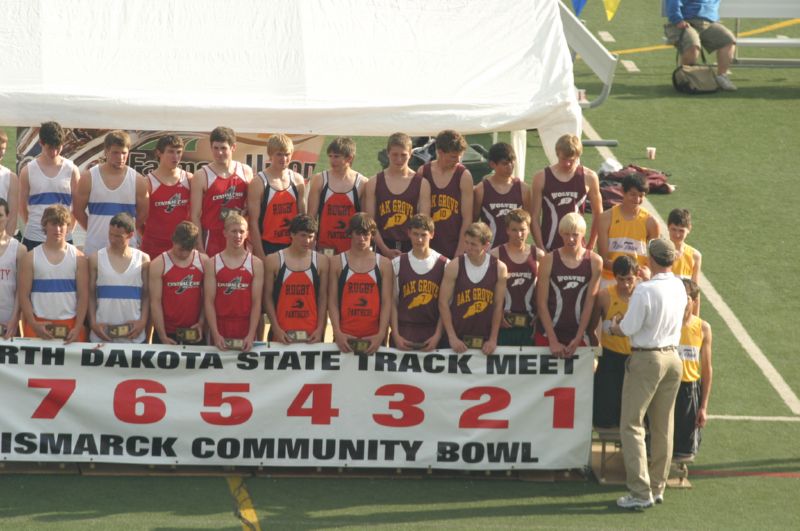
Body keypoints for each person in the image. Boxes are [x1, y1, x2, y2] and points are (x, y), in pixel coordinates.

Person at [608, 237, 687, 509]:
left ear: (651, 260)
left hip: (647, 359)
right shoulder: (679, 284)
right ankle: (657, 486)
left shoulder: (644, 291)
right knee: (663, 425)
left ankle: (640, 493)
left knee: (631, 424)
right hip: (673, 358)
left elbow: (629, 327)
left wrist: (614, 326)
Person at [535, 213, 602, 358]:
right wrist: (552, 340)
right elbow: (541, 303)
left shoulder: (595, 261)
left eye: (575, 235)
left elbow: (589, 303)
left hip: (578, 335)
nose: (570, 239)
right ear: (560, 233)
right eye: (566, 234)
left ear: (583, 234)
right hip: (548, 333)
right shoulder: (548, 260)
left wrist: (578, 338)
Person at [18, 204, 88, 342]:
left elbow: (83, 297)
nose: (58, 229)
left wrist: (78, 326)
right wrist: (33, 324)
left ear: (68, 226)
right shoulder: (30, 257)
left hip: (70, 326)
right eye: (53, 224)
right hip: (38, 325)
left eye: (62, 224)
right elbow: (23, 295)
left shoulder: (79, 258)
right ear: (45, 225)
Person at [73, 130, 148, 256]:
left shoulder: (138, 180)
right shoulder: (89, 177)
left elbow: (143, 214)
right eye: (115, 153)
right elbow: (77, 210)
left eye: (124, 153)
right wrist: (93, 230)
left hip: (126, 250)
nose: (120, 157)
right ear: (106, 152)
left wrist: (124, 234)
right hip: (96, 248)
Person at [328, 213, 393, 355]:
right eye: (357, 233)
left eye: (366, 234)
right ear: (350, 234)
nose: (361, 238)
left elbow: (387, 302)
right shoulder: (336, 262)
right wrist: (337, 332)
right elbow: (332, 301)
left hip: (374, 338)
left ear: (372, 235)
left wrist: (381, 334)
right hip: (344, 337)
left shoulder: (384, 264)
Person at [439, 222, 508, 355]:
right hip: (457, 339)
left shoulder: (499, 268)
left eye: (473, 244)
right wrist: (452, 337)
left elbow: (498, 306)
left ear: (486, 245)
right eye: (467, 242)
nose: (468, 248)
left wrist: (493, 339)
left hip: (485, 340)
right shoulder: (455, 265)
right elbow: (443, 303)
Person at [530, 134, 603, 253]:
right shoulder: (541, 177)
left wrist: (590, 245)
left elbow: (598, 214)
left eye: (572, 160)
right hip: (549, 246)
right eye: (564, 159)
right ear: (557, 154)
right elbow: (534, 216)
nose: (567, 164)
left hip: (578, 248)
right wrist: (540, 247)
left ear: (578, 156)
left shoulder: (589, 177)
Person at [263, 214, 328, 344]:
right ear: (292, 234)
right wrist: (276, 328)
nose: (307, 241)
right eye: (303, 235)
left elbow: (323, 298)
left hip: (311, 334)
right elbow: (266, 297)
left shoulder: (322, 261)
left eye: (311, 236)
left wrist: (320, 329)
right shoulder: (273, 260)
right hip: (281, 333)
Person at [364, 133, 431, 257]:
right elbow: (370, 222)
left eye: (403, 155)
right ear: (388, 153)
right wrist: (384, 249)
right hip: (382, 245)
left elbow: (424, 223)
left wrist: (413, 251)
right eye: (395, 155)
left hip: (412, 246)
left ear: (410, 154)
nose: (399, 159)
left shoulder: (422, 183)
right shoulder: (373, 182)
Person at [204, 213, 264, 352]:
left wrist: (251, 334)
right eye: (234, 231)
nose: (238, 236)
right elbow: (208, 301)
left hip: (245, 325)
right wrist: (215, 333)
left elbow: (256, 303)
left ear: (247, 234)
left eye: (241, 231)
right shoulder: (213, 263)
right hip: (220, 325)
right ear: (224, 233)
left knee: (245, 372)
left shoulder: (256, 263)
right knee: (217, 372)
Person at [190, 126, 253, 256]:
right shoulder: (202, 175)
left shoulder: (245, 171)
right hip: (212, 238)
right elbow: (194, 215)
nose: (219, 153)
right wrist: (200, 248)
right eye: (216, 148)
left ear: (233, 147)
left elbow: (252, 207)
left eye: (223, 148)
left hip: (238, 237)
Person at [590, 255, 637, 428]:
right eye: (621, 279)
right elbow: (593, 326)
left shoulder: (643, 295)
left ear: (637, 276)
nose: (625, 284)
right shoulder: (604, 295)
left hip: (635, 357)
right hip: (610, 357)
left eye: (630, 279)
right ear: (614, 277)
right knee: (605, 413)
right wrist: (596, 353)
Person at [88, 213, 150, 343]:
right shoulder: (95, 259)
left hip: (134, 335)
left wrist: (143, 322)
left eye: (118, 236)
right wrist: (93, 324)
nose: (113, 239)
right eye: (111, 234)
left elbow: (147, 295)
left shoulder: (143, 259)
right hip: (102, 334)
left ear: (130, 235)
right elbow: (90, 295)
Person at [391, 214, 448, 351]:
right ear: (409, 233)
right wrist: (395, 334)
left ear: (432, 234)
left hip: (433, 332)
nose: (420, 239)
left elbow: (446, 306)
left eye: (424, 235)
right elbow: (392, 303)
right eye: (415, 234)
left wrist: (438, 335)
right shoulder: (397, 263)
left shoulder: (444, 264)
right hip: (404, 330)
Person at [19, 122, 79, 249]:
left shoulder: (72, 169)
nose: (55, 152)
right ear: (41, 143)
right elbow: (21, 205)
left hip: (63, 238)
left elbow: (78, 206)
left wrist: (69, 229)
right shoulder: (27, 170)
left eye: (58, 147)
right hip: (34, 237)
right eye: (50, 148)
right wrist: (32, 226)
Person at [490, 209, 544, 346]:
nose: (519, 234)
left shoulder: (539, 255)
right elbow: (489, 290)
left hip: (530, 323)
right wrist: (497, 316)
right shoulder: (495, 255)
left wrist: (540, 314)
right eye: (514, 230)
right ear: (507, 230)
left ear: (529, 230)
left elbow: (544, 290)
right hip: (503, 323)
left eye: (522, 229)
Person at [247, 134, 306, 259]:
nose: (284, 158)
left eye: (287, 154)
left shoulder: (298, 180)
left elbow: (303, 220)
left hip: (293, 246)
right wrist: (261, 255)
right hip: (268, 246)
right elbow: (253, 223)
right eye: (279, 154)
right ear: (270, 154)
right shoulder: (258, 182)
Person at [306, 137, 367, 256]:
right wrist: (311, 244)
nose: (332, 161)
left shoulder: (362, 183)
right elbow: (311, 217)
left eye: (337, 156)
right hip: (325, 247)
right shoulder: (319, 180)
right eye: (330, 156)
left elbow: (365, 221)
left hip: (351, 248)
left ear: (349, 157)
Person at [149, 221, 207, 345]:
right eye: (181, 249)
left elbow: (208, 298)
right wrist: (162, 335)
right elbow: (155, 302)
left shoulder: (203, 261)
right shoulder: (159, 264)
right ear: (173, 241)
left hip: (194, 330)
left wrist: (201, 323)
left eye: (188, 250)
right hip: (167, 332)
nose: (184, 254)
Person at [597, 173, 659, 285]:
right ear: (622, 191)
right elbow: (603, 259)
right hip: (611, 279)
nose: (637, 199)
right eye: (633, 194)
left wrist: (638, 273)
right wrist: (626, 272)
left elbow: (653, 261)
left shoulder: (651, 222)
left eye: (641, 195)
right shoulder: (606, 218)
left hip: (638, 281)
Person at [674, 278, 713, 458]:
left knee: (684, 450)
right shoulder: (667, 322)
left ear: (695, 301)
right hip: (665, 386)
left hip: (688, 389)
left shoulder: (703, 328)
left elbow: (706, 369)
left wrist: (703, 406)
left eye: (686, 298)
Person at [419, 130, 474, 259]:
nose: (458, 160)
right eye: (453, 156)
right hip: (429, 243)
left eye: (460, 156)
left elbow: (467, 218)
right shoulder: (424, 172)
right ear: (440, 152)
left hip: (454, 244)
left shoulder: (463, 175)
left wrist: (460, 250)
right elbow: (421, 215)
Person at [664, 0, 737, 91]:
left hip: (709, 23)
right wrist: (677, 19)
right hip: (683, 22)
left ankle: (721, 77)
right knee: (693, 45)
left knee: (728, 40)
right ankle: (685, 78)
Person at [140, 135, 193, 259]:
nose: (175, 157)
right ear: (159, 153)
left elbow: (197, 214)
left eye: (179, 152)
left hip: (183, 246)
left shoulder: (190, 179)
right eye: (170, 152)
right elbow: (139, 217)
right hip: (154, 246)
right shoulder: (147, 182)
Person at [474, 142, 531, 248]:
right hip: (489, 252)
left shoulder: (523, 189)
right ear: (492, 164)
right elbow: (473, 222)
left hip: (516, 251)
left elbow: (528, 223)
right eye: (505, 163)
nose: (510, 167)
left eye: (512, 162)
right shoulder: (481, 189)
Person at [0, 199, 25, 338]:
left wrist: (15, 319)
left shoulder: (19, 250)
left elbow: (21, 291)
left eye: (0, 215)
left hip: (8, 323)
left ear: (8, 216)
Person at [668, 208, 701, 283]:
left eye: (681, 230)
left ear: (689, 229)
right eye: (674, 229)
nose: (677, 234)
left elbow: (694, 289)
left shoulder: (695, 256)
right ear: (668, 227)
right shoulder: (659, 251)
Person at [0, 129, 20, 237]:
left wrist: (5, 244)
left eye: (3, 149)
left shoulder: (11, 178)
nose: (1, 152)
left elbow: (12, 216)